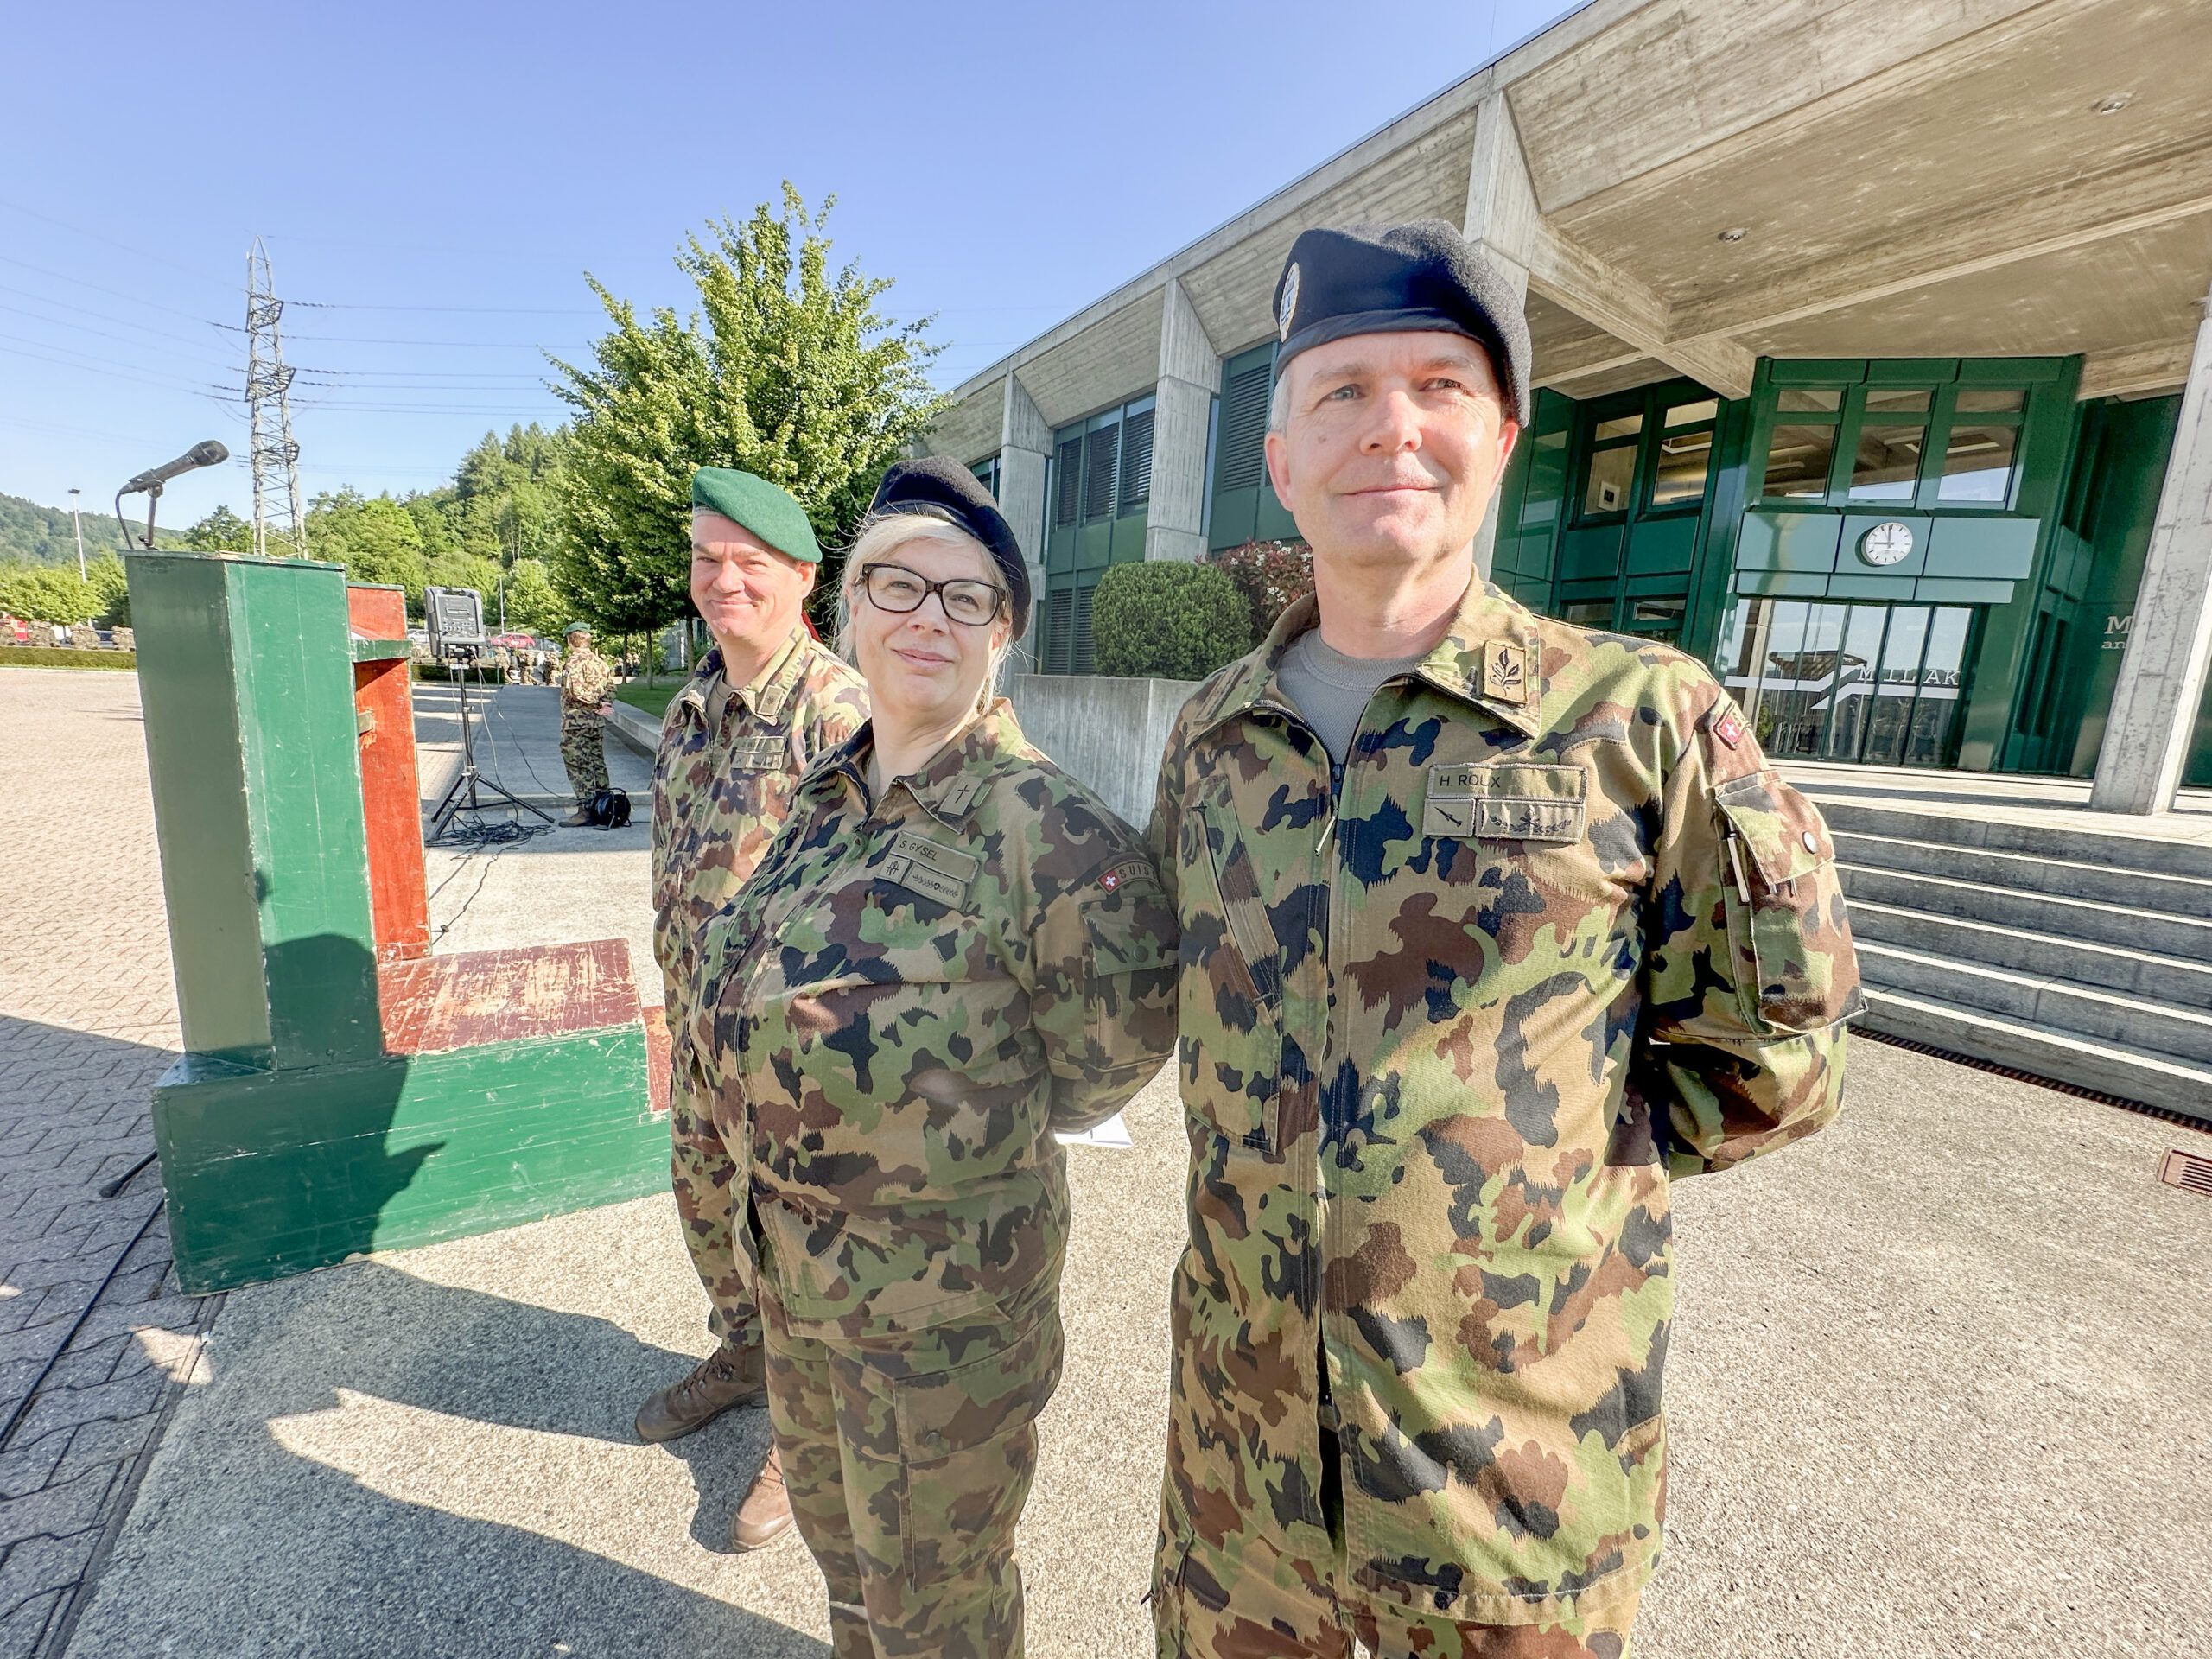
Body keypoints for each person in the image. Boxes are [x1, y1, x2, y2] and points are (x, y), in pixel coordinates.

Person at [1144, 220, 1862, 1659]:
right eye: (1342, 392)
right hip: (1241, 1486)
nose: (1389, 427)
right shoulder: (1213, 734)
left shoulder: (1637, 717)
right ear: (1281, 458)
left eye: (1439, 386)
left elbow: (1776, 1064)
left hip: (1510, 1499)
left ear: (1506, 436)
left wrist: (1533, 1190)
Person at [688, 458, 1178, 1657]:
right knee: (846, 1570)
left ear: (1001, 634)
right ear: (850, 606)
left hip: (939, 1331)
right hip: (797, 1290)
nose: (928, 618)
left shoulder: (1055, 836)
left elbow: (1104, 1064)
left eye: (967, 598)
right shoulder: (828, 792)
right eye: (897, 584)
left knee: (936, 1610)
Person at [636, 467, 869, 1554]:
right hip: (697, 1034)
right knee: (705, 1211)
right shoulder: (692, 706)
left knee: (799, 1246)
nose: (723, 580)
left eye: (750, 563)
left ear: (803, 577)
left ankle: (805, 1433)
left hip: (792, 1061)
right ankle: (746, 1355)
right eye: (706, 559)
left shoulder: (838, 712)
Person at [554, 622, 615, 825]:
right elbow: (611, 688)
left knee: (578, 764)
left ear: (570, 640)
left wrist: (596, 703)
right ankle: (604, 806)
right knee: (597, 762)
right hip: (596, 722)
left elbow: (576, 691)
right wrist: (604, 704)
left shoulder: (573, 662)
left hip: (576, 722)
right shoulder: (600, 662)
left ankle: (586, 810)